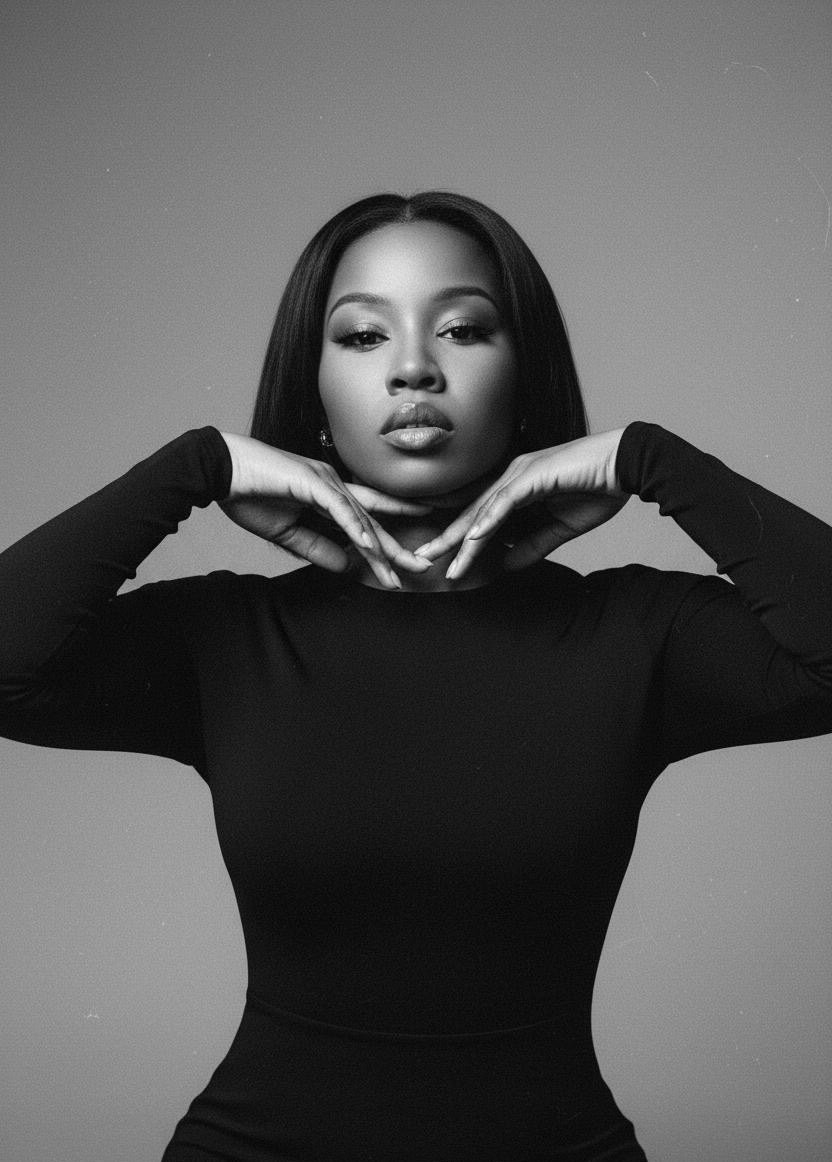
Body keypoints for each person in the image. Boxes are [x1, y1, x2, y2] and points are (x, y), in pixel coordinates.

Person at [1, 191, 830, 1162]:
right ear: (311, 393)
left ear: (526, 377)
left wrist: (647, 459)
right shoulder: (228, 637)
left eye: (463, 329)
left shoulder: (635, 632)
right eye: (362, 336)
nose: (412, 368)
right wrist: (198, 466)